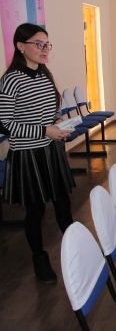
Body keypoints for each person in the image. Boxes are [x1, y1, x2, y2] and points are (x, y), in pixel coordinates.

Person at [0, 23, 75, 283]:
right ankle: (39, 259)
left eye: (47, 44)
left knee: (63, 202)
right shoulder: (11, 80)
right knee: (36, 210)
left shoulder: (44, 74)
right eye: (38, 44)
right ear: (21, 46)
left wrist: (59, 124)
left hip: (51, 149)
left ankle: (75, 248)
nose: (45, 49)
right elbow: (5, 123)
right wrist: (44, 131)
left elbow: (52, 110)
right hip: (28, 154)